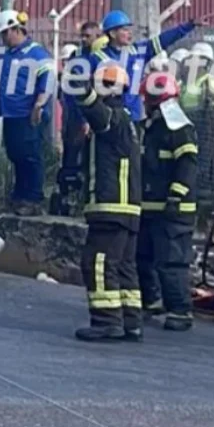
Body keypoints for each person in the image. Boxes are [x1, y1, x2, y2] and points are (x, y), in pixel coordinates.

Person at [69, 65, 143, 342]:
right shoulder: (126, 121)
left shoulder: (113, 117)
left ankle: (106, 321)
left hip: (112, 208)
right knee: (123, 266)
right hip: (125, 209)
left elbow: (97, 114)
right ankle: (131, 322)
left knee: (98, 263)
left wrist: (81, 88)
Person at [0, 10, 55, 215]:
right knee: (16, 155)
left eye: (5, 34)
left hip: (28, 115)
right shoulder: (5, 53)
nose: (3, 38)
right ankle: (20, 196)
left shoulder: (37, 53)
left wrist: (39, 105)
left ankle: (33, 199)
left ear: (17, 29)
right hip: (11, 114)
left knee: (29, 156)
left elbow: (48, 81)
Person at [136, 72, 198, 331]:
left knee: (171, 261)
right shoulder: (151, 128)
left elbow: (187, 165)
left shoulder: (179, 129)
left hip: (173, 209)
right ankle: (151, 301)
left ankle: (181, 311)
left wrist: (176, 194)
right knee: (143, 257)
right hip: (150, 206)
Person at [88, 10, 206, 123]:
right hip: (108, 118)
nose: (129, 33)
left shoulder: (138, 52)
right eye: (124, 30)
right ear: (113, 33)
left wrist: (190, 25)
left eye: (129, 29)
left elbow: (163, 40)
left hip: (134, 118)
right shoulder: (97, 58)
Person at [52, 21, 103, 216]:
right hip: (73, 116)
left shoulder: (100, 57)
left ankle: (85, 199)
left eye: (88, 36)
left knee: (89, 161)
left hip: (92, 117)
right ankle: (68, 198)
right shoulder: (77, 58)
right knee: (70, 159)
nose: (84, 40)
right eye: (82, 36)